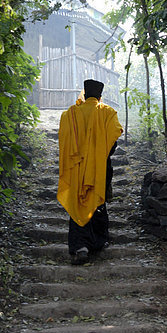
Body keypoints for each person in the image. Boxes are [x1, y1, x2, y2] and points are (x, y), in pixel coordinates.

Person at [57, 79, 123, 265]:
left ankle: (80, 246)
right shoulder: (108, 113)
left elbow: (64, 141)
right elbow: (113, 140)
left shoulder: (69, 114)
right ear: (100, 96)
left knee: (78, 201)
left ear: (84, 95)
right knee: (97, 201)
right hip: (100, 168)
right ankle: (98, 243)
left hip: (75, 169)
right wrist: (99, 156)